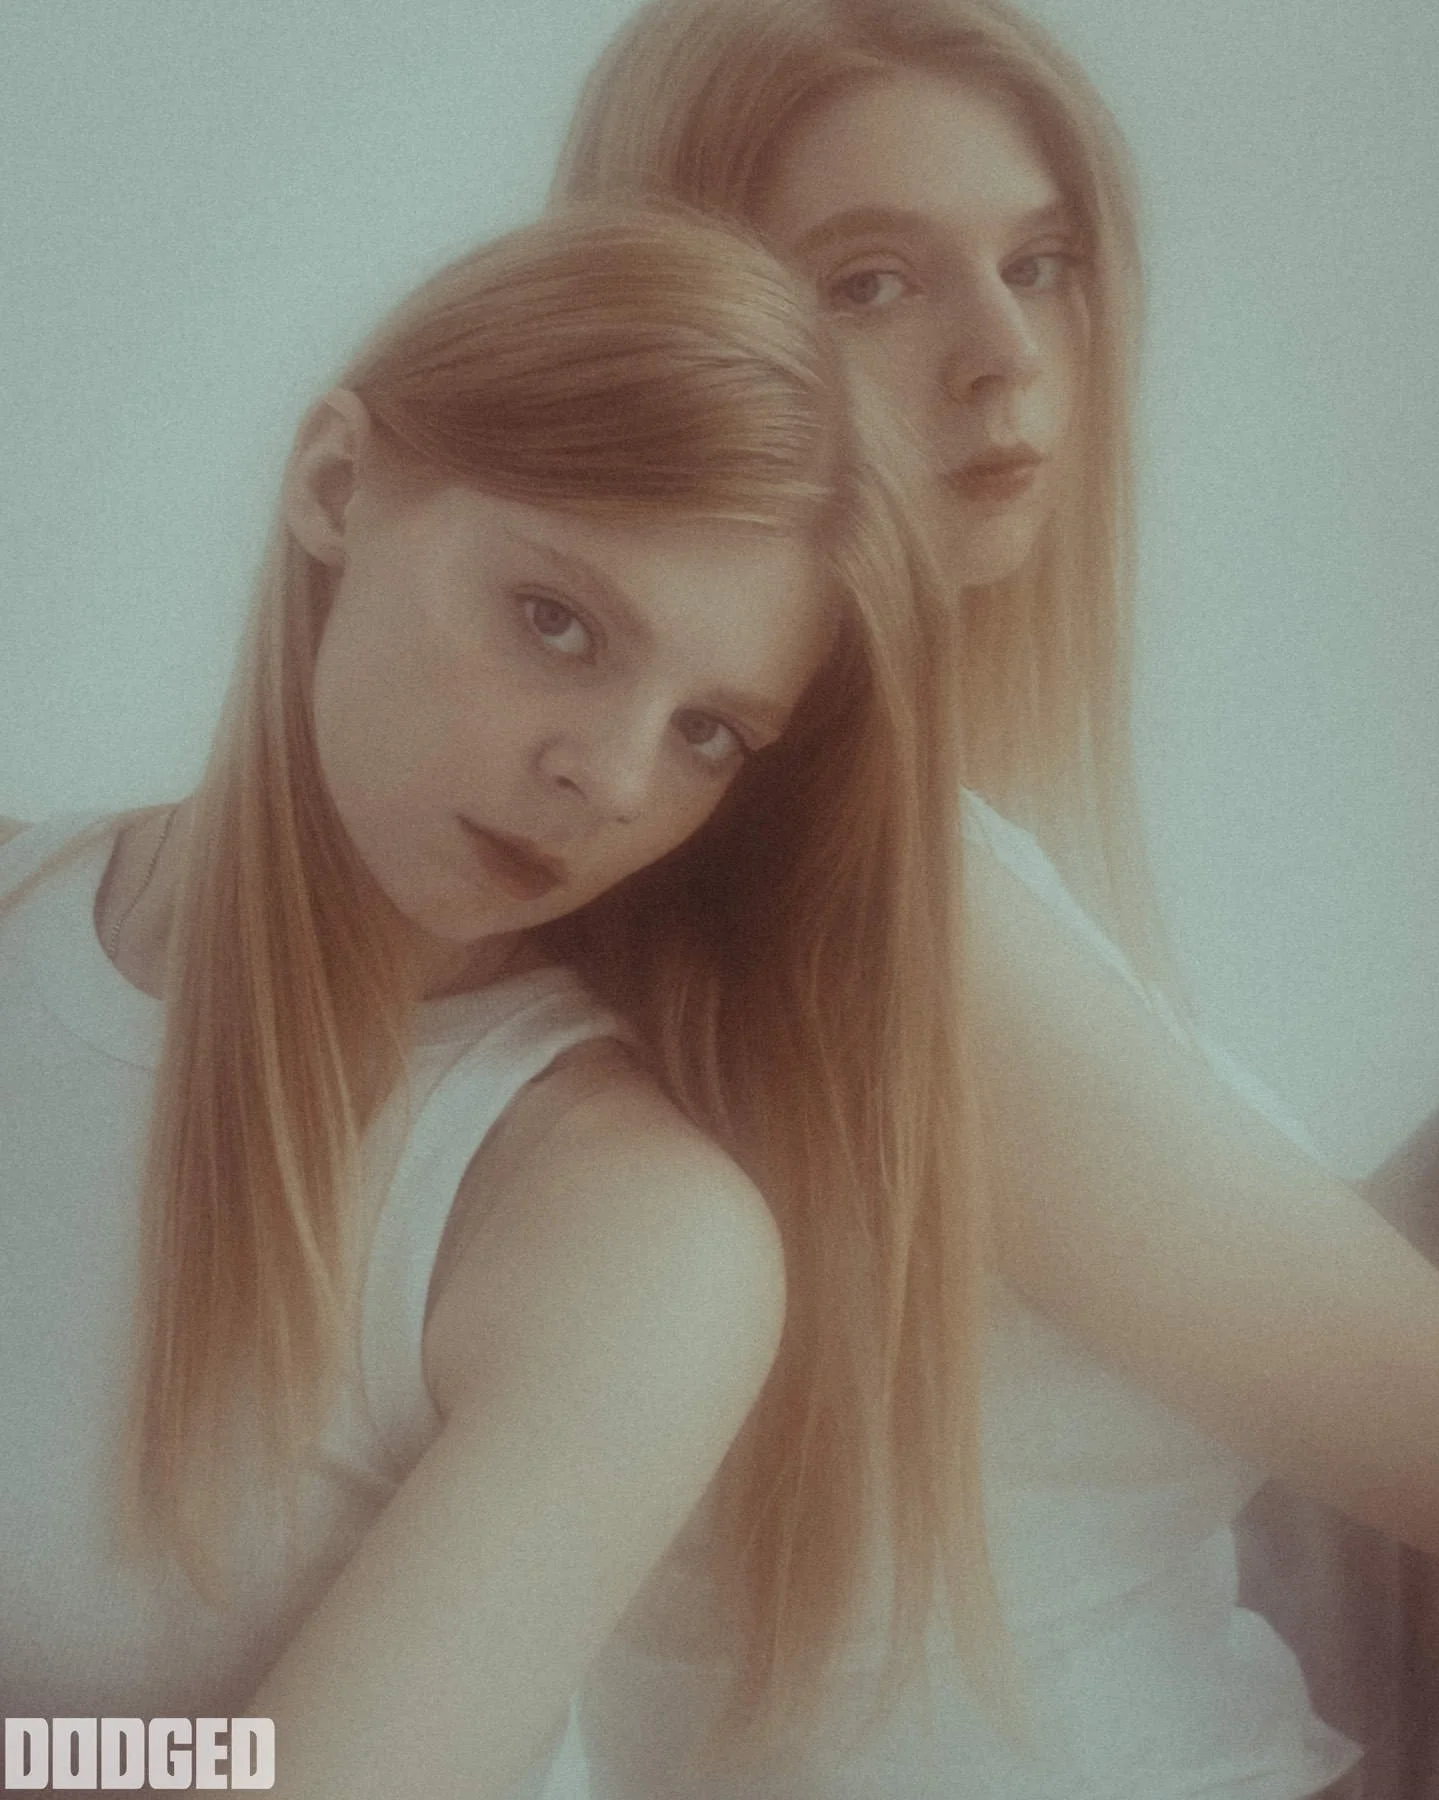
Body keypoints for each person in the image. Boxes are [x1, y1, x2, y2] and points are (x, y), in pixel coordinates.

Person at [551, 3, 1439, 1795]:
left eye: (1041, 264)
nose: (1004, 360)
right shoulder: (881, 910)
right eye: (871, 284)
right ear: (682, 330)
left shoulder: (707, 838)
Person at [0, 205, 969, 1798]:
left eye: (710, 733)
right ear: (336, 485)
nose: (615, 776)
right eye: (559, 622)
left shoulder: (620, 1232)